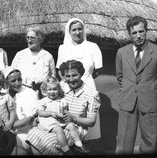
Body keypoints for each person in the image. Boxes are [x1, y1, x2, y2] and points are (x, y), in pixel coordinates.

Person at [115, 16, 157, 154]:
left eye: (141, 31)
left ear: (146, 31)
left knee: (150, 141)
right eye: (134, 33)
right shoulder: (122, 52)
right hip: (128, 101)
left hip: (149, 101)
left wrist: (152, 89)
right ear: (129, 34)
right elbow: (120, 76)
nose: (138, 36)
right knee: (124, 142)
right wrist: (129, 89)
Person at [26, 60, 100, 155]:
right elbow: (48, 103)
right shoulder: (60, 86)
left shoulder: (91, 94)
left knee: (49, 141)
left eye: (74, 75)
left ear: (81, 74)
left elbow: (91, 121)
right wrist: (39, 117)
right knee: (33, 132)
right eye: (68, 76)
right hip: (54, 121)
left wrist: (73, 118)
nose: (71, 79)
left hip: (75, 128)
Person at [56, 18, 103, 148]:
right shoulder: (63, 48)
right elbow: (60, 69)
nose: (77, 32)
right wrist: (68, 82)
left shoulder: (93, 47)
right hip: (67, 88)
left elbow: (98, 70)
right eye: (74, 30)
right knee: (66, 126)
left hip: (86, 85)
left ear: (83, 30)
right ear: (69, 32)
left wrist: (84, 79)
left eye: (80, 29)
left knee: (86, 132)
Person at [37, 77, 88, 155]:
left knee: (71, 125)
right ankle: (65, 149)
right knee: (59, 130)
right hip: (49, 122)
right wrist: (50, 113)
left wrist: (65, 115)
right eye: (49, 90)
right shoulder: (44, 101)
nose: (52, 92)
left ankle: (78, 145)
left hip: (60, 121)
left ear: (59, 90)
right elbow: (40, 112)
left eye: (55, 89)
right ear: (45, 90)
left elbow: (65, 111)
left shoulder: (62, 100)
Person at [11, 26, 56, 98]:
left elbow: (53, 77)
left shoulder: (47, 56)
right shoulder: (20, 55)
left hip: (42, 94)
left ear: (40, 39)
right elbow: (12, 74)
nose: (29, 41)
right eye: (27, 38)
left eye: (32, 38)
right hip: (22, 92)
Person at [3, 67, 39, 155]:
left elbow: (29, 120)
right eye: (13, 81)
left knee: (15, 147)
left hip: (25, 133)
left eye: (19, 79)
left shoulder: (30, 94)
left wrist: (7, 127)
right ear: (6, 82)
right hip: (7, 131)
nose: (17, 83)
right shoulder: (3, 93)